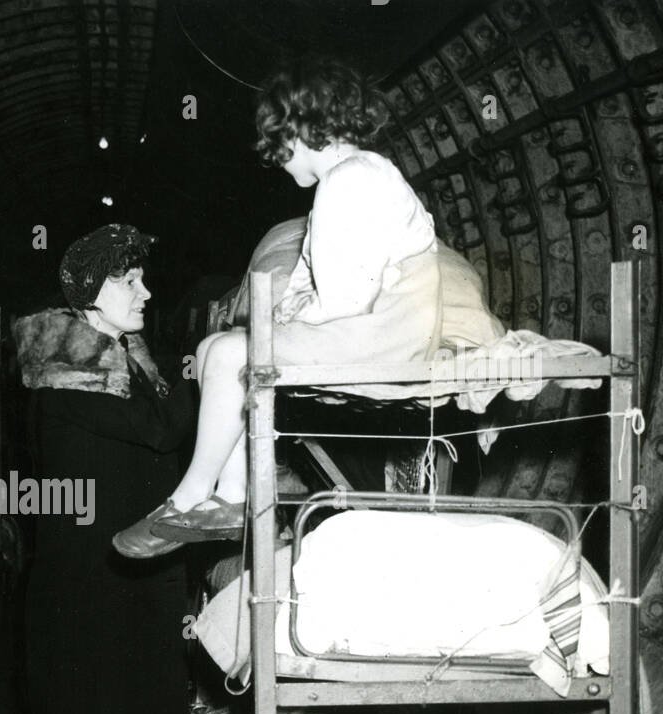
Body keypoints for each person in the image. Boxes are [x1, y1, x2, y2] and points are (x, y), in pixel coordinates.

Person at [114, 57, 441, 556]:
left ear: (301, 127)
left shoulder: (349, 179)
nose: (277, 159)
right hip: (376, 325)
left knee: (226, 354)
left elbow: (349, 299)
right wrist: (289, 313)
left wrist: (289, 319)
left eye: (279, 144)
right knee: (211, 350)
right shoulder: (358, 174)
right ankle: (231, 495)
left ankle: (188, 496)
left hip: (383, 333)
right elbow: (327, 282)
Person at [14, 224, 194, 714]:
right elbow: (164, 428)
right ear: (91, 294)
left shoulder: (113, 361)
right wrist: (213, 363)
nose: (146, 291)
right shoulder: (68, 379)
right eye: (131, 280)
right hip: (82, 592)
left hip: (113, 579)